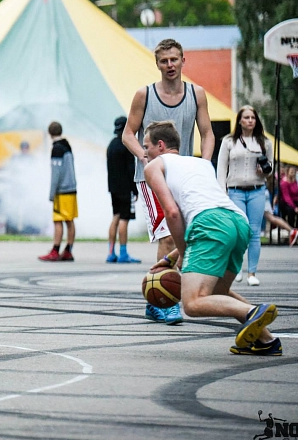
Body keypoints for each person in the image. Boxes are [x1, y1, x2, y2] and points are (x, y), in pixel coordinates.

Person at [144, 120, 281, 356]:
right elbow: (197, 211)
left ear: (160, 145)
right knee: (217, 291)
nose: (144, 152)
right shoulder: (201, 163)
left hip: (210, 224)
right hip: (237, 223)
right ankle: (267, 340)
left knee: (193, 303)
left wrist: (184, 255)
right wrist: (172, 257)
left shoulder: (154, 166)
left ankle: (252, 313)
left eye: (146, 147)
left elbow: (173, 213)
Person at [122, 38, 214, 326]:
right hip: (151, 177)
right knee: (167, 235)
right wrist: (144, 157)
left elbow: (207, 132)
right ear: (158, 64)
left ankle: (157, 296)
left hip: (184, 176)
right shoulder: (144, 95)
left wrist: (205, 163)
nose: (170, 65)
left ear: (183, 61)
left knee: (184, 236)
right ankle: (166, 301)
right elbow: (127, 134)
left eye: (174, 59)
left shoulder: (196, 94)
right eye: (164, 61)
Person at [216, 105, 273, 286]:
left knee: (255, 232)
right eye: (246, 117)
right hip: (235, 190)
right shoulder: (228, 142)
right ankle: (237, 268)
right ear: (239, 120)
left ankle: (252, 273)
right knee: (240, 231)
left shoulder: (265, 142)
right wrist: (222, 191)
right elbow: (221, 167)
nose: (250, 120)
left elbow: (270, 167)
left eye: (253, 118)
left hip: (257, 189)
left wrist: (264, 170)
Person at [38, 121, 77, 262]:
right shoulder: (67, 146)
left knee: (58, 220)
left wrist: (51, 193)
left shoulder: (57, 149)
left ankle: (55, 250)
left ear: (50, 134)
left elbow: (56, 173)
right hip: (72, 188)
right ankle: (68, 250)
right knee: (70, 220)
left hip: (62, 191)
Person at [106, 116, 140, 263]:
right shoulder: (127, 146)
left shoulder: (111, 145)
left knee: (115, 218)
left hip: (113, 188)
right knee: (124, 220)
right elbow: (131, 169)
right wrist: (135, 189)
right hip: (125, 188)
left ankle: (111, 252)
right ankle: (123, 253)